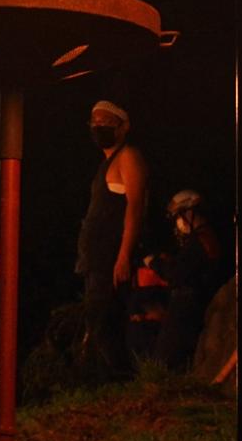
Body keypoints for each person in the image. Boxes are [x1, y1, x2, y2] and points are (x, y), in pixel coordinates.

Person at [74, 99, 146, 379]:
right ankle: (110, 383)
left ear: (123, 127)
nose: (98, 127)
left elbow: (135, 206)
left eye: (106, 123)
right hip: (96, 259)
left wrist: (124, 255)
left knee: (106, 323)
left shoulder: (128, 156)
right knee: (99, 321)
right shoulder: (106, 165)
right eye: (94, 123)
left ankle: (124, 381)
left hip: (111, 258)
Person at [153, 189, 227, 371]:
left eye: (178, 217)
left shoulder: (201, 241)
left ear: (189, 212)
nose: (178, 223)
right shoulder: (206, 238)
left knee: (166, 358)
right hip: (194, 303)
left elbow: (177, 273)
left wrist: (155, 264)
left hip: (188, 305)